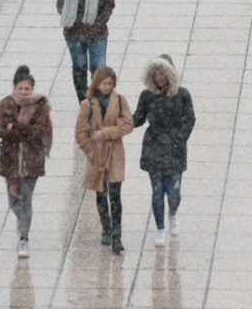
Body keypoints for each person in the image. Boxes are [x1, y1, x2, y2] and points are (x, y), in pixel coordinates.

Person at [133, 55, 196, 246]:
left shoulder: (183, 94)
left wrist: (180, 138)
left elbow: (190, 119)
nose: (159, 78)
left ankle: (173, 214)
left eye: (162, 73)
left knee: (174, 193)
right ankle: (160, 228)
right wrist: (122, 120)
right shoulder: (147, 96)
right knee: (157, 192)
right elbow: (138, 118)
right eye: (155, 74)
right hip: (154, 148)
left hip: (175, 150)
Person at [75, 66, 133, 254]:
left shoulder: (120, 100)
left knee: (115, 195)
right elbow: (80, 133)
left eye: (110, 84)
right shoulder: (88, 104)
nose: (107, 87)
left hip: (115, 153)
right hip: (97, 155)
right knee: (100, 194)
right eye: (104, 83)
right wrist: (91, 153)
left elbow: (128, 124)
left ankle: (117, 235)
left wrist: (106, 133)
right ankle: (105, 227)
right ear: (97, 83)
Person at [0, 65, 52, 257]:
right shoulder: (6, 104)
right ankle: (22, 222)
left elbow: (38, 132)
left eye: (27, 89)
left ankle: (24, 239)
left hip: (32, 159)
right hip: (11, 159)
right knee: (13, 201)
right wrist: (21, 129)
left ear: (32, 89)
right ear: (14, 88)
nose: (24, 92)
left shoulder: (40, 105)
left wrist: (16, 128)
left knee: (26, 199)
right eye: (20, 88)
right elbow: (2, 131)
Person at [57, 0, 116, 103]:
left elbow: (109, 4)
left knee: (99, 68)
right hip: (74, 34)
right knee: (79, 68)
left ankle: (100, 100)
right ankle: (83, 101)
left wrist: (97, 23)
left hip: (97, 33)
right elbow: (60, 4)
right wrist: (71, 19)